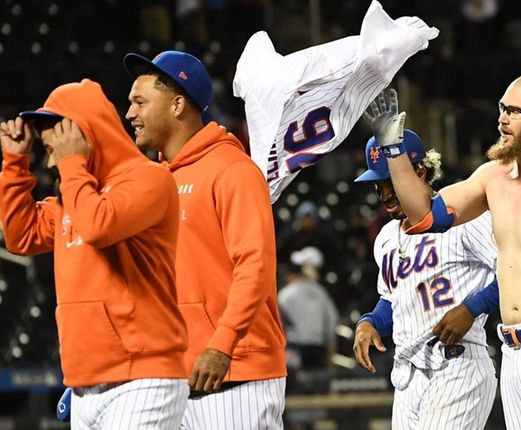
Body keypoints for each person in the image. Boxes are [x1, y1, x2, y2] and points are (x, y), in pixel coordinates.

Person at [367, 78, 521, 428]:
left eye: (516, 112)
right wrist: (393, 149)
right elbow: (424, 216)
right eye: (503, 108)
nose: (503, 119)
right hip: (512, 348)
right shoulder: (492, 177)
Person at [0, 79, 189, 428]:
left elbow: (99, 226)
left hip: (143, 379)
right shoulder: (76, 194)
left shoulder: (149, 179)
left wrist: (74, 166)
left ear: (83, 136)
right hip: (83, 385)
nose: (50, 161)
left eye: (52, 147)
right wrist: (15, 163)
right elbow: (21, 236)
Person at [123, 50, 286, 429]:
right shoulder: (156, 180)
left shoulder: (233, 171)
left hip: (234, 373)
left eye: (140, 102)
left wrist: (221, 343)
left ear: (178, 104)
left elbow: (255, 265)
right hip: (175, 376)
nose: (130, 114)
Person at [352, 129, 498, 429]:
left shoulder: (463, 217)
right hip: (408, 376)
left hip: (458, 364)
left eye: (389, 181)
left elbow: (514, 271)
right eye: (377, 186)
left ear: (418, 171)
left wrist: (473, 308)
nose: (384, 194)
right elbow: (394, 299)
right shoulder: (386, 238)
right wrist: (370, 323)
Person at [279, 246, 339, 370]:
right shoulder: (321, 292)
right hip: (317, 347)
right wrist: (331, 347)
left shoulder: (286, 294)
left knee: (298, 387)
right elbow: (332, 319)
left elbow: (276, 321)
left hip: (294, 349)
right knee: (317, 384)